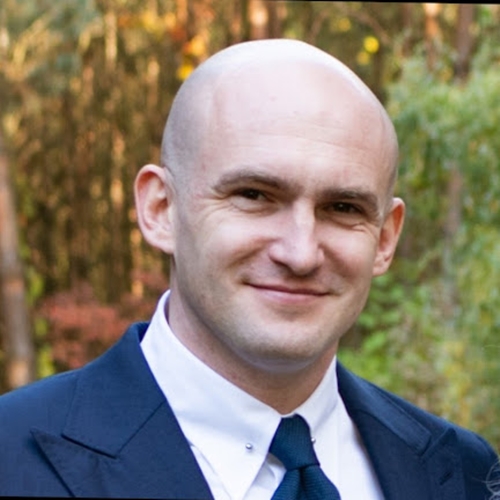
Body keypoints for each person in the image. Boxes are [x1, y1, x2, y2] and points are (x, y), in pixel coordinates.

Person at [0, 38, 497, 499]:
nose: (301, 254)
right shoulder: (12, 457)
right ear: (160, 209)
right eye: (254, 196)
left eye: (343, 208)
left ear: (385, 238)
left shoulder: (465, 473)